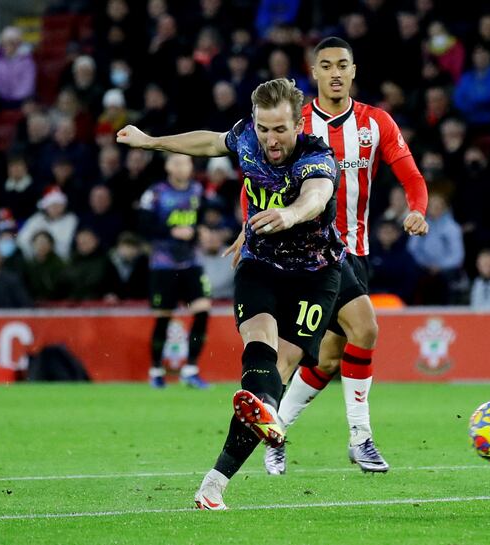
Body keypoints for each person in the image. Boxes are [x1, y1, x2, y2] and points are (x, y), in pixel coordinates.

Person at [117, 78, 344, 510]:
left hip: (315, 275)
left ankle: (216, 478)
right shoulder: (245, 136)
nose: (270, 139)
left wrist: (290, 213)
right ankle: (264, 416)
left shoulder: (316, 156)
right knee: (258, 343)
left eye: (280, 129)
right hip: (259, 263)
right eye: (263, 128)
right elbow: (209, 142)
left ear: (298, 123)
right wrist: (153, 143)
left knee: (282, 364)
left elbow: (317, 197)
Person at [258, 37, 429, 475]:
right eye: (326, 65)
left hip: (357, 254)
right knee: (365, 329)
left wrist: (417, 209)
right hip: (309, 254)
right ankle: (361, 437)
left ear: (354, 71)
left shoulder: (376, 123)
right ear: (313, 73)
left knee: (331, 358)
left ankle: (274, 430)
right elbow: (260, 174)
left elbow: (411, 175)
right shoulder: (295, 126)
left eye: (343, 65)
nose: (335, 72)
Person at [133, 153, 211, 389]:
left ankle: (190, 368)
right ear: (168, 166)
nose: (181, 167)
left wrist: (198, 233)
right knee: (163, 316)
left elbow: (200, 222)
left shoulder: (197, 191)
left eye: (186, 162)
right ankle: (156, 370)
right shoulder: (155, 193)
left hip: (191, 262)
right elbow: (143, 226)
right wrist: (171, 232)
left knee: (202, 310)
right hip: (163, 264)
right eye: (176, 162)